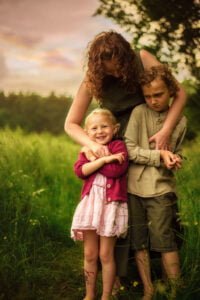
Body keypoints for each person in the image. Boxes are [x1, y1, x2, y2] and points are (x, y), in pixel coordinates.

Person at [65, 30, 187, 293]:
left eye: (118, 64)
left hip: (147, 143)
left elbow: (180, 95)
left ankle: (165, 275)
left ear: (124, 55)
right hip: (116, 153)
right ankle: (119, 279)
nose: (115, 72)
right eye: (107, 67)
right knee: (117, 214)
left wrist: (165, 130)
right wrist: (94, 145)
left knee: (158, 205)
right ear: (98, 64)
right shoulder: (94, 78)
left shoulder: (142, 58)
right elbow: (71, 124)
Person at [124, 65, 187, 299]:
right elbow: (129, 150)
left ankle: (176, 290)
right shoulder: (139, 112)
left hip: (161, 189)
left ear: (170, 91)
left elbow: (177, 151)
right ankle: (149, 289)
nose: (153, 101)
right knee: (139, 242)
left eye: (158, 94)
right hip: (134, 188)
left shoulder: (180, 121)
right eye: (148, 96)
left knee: (165, 241)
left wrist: (175, 159)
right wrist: (158, 156)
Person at [70, 108, 129, 300]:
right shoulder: (88, 149)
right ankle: (89, 295)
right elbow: (80, 171)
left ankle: (105, 296)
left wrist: (97, 160)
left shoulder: (119, 146)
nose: (99, 131)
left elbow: (114, 171)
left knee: (105, 255)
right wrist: (104, 158)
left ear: (115, 128)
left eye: (104, 126)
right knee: (89, 254)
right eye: (94, 128)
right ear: (87, 133)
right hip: (91, 206)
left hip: (110, 207)